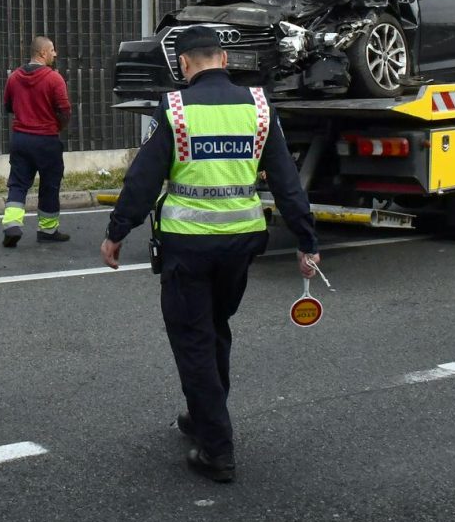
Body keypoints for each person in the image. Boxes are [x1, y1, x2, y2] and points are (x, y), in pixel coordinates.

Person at [100, 25, 320, 483]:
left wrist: (117, 231)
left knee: (194, 339)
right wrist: (306, 241)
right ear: (223, 58)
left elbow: (143, 178)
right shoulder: (260, 107)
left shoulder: (175, 107)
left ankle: (217, 450)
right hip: (242, 243)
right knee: (215, 328)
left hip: (187, 246)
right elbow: (286, 181)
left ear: (184, 64)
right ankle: (204, 416)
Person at [0, 36, 72, 247]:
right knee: (49, 184)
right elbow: (64, 110)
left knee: (18, 183)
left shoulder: (14, 77)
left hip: (21, 139)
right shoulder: (54, 79)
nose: (55, 54)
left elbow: (8, 107)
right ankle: (47, 230)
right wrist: (57, 126)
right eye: (52, 50)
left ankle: (12, 225)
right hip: (46, 140)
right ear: (42, 53)